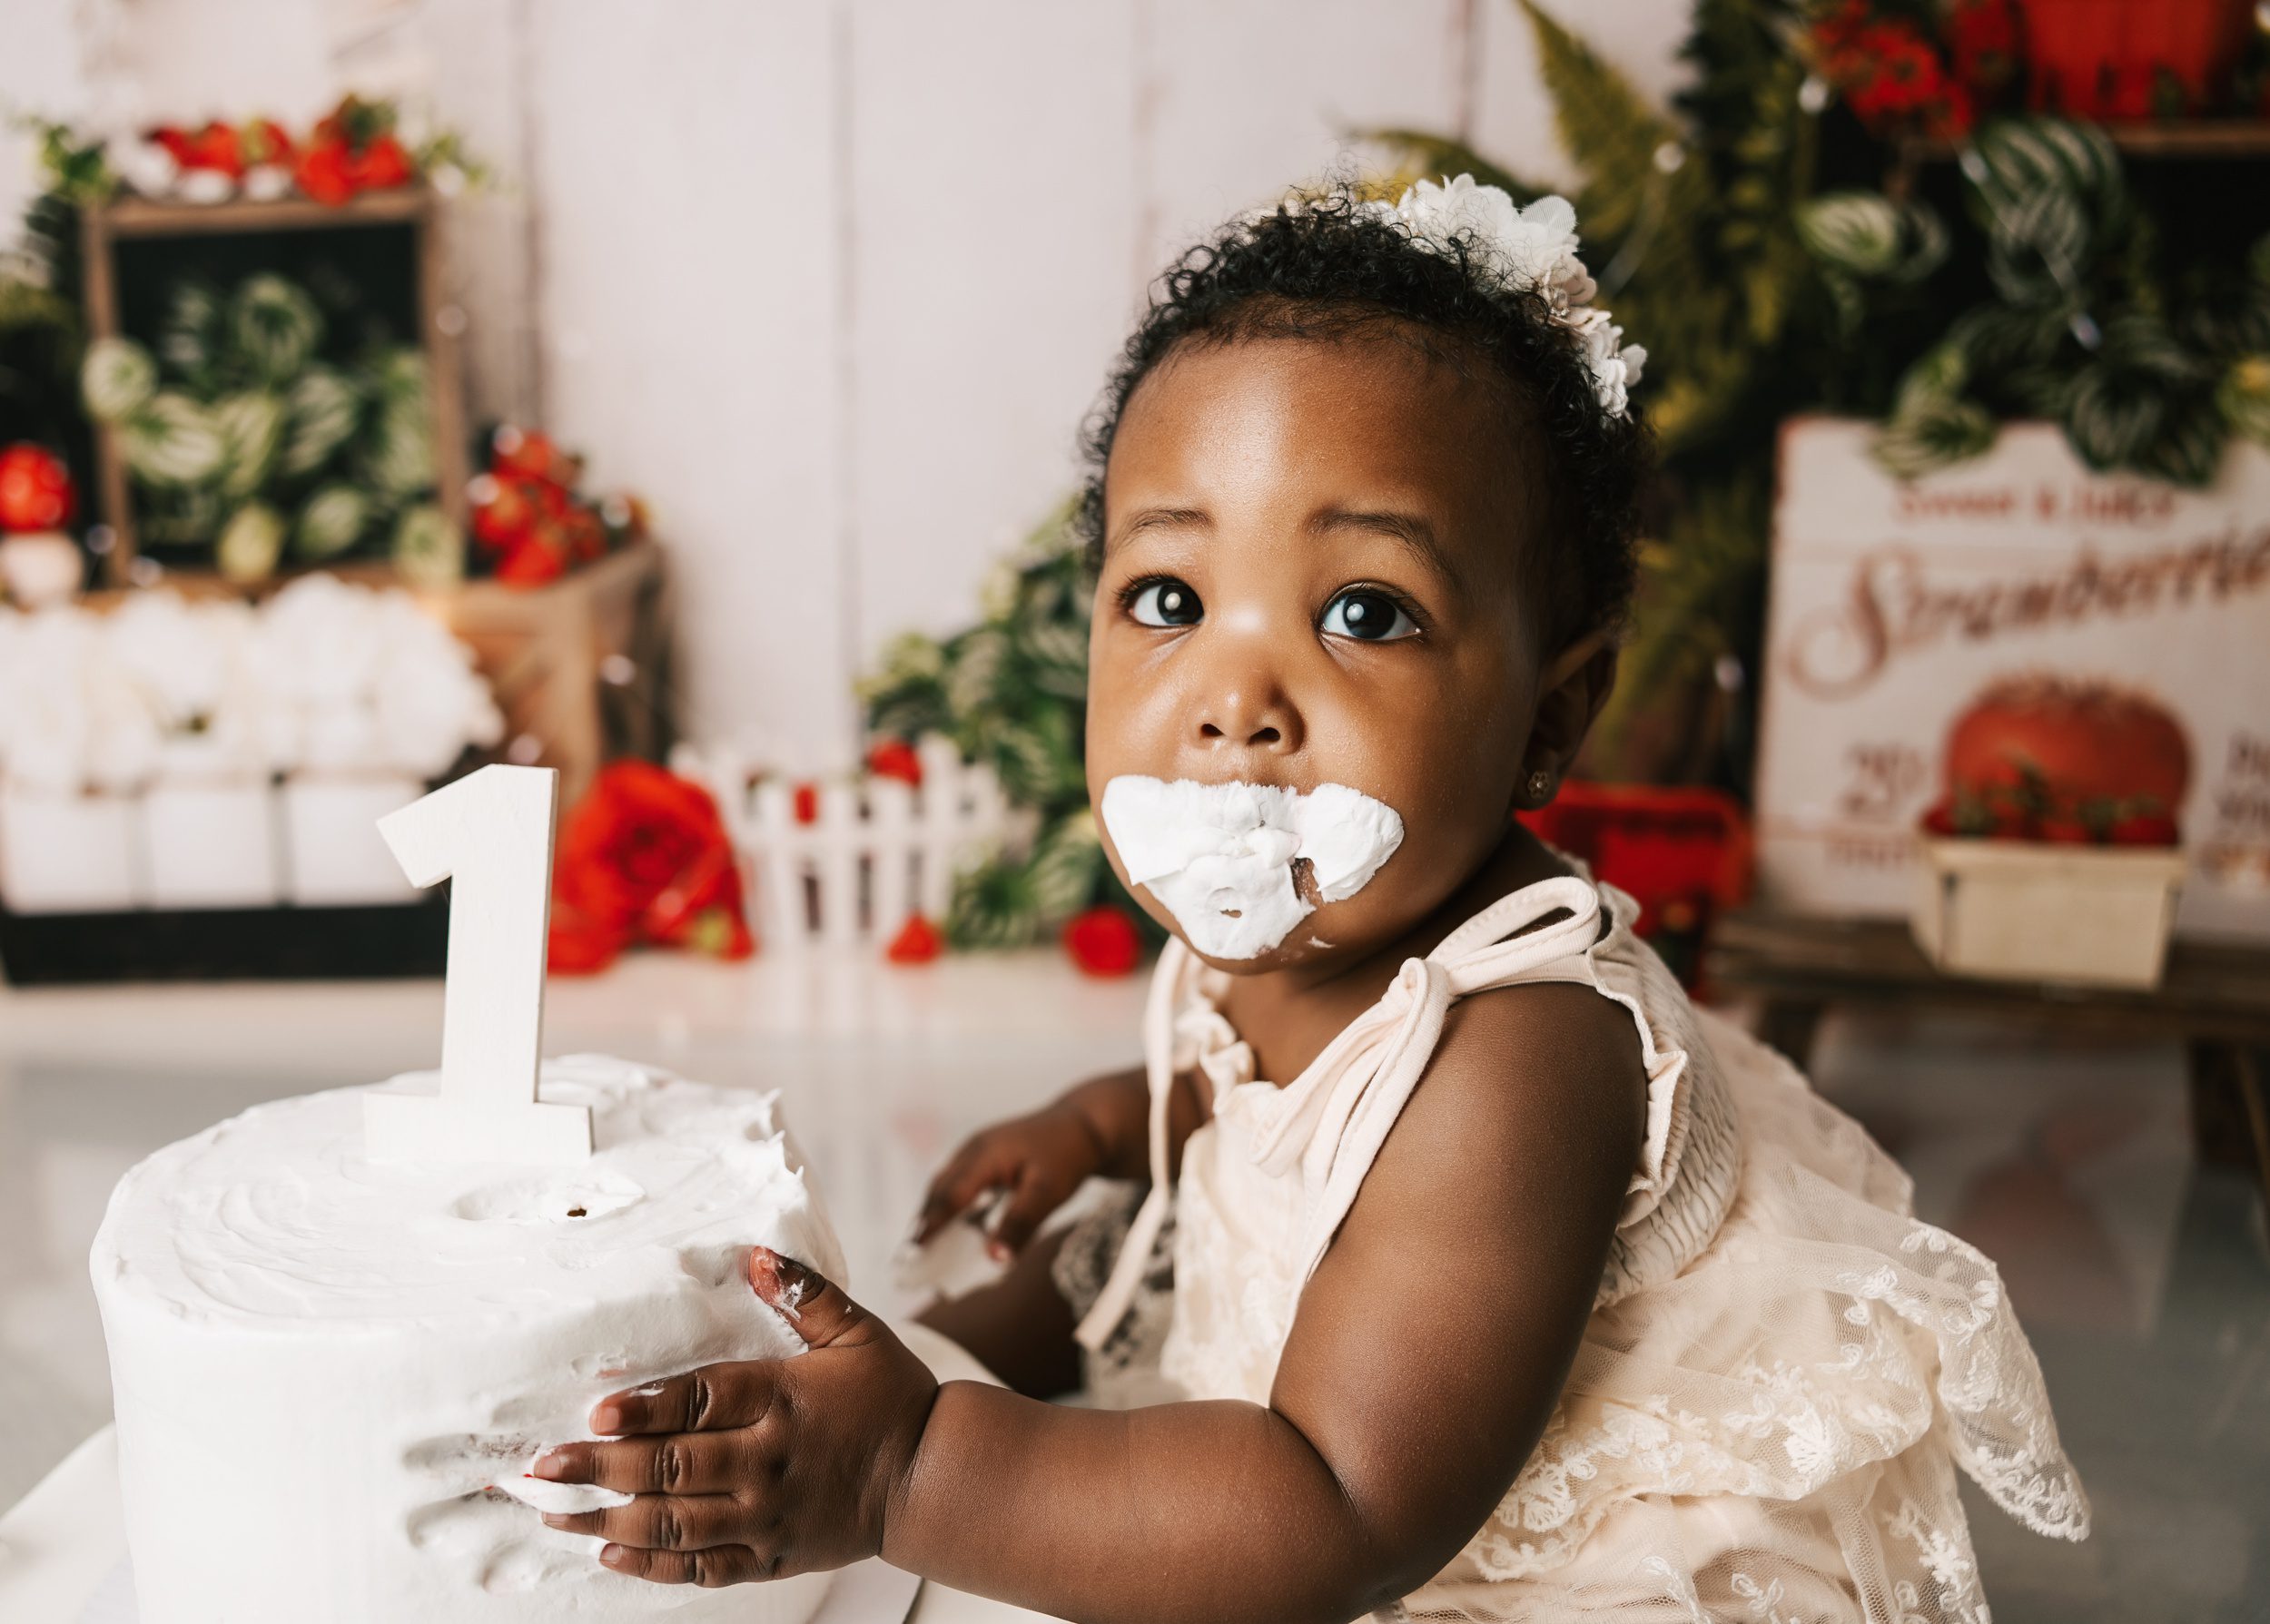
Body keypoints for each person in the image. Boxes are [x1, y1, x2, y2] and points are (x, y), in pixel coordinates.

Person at [528, 177, 2088, 1622]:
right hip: (1354, 1427)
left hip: (1497, 1538)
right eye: (1168, 599)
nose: (1233, 696)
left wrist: (908, 1470)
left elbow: (1337, 1502)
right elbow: (1260, 1097)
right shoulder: (1301, 927)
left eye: (1365, 611)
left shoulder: (1525, 1058)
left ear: (1552, 716)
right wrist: (1104, 1122)